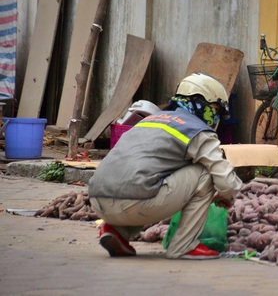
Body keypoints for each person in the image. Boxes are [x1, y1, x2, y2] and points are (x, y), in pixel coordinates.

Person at [89, 72, 243, 260]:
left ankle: (117, 230)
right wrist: (228, 196)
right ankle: (184, 245)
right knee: (206, 173)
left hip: (97, 201)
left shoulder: (149, 120)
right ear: (202, 102)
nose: (217, 117)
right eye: (216, 110)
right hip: (136, 203)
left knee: (152, 175)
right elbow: (225, 179)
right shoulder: (197, 130)